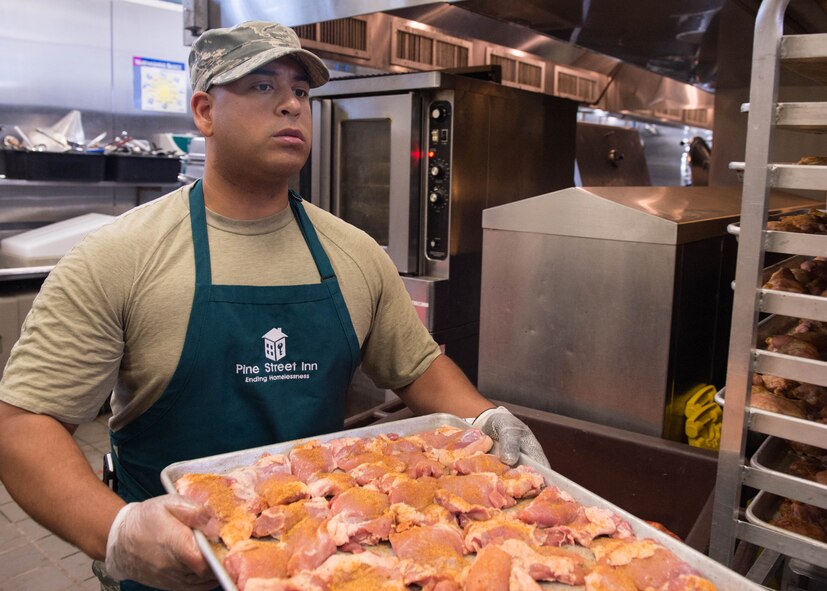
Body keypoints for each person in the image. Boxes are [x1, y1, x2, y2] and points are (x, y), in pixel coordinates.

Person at [0, 20, 549, 591]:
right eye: (263, 87)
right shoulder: (120, 256)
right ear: (205, 112)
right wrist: (115, 530)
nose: (291, 105)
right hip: (173, 568)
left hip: (316, 559)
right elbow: (23, 425)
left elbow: (416, 368)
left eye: (301, 92)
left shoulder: (354, 253)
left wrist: (484, 416)